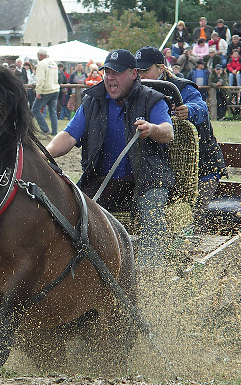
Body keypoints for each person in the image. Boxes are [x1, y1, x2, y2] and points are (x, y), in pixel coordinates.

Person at [46, 49, 174, 272]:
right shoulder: (92, 101)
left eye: (117, 72)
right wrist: (44, 155)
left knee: (151, 209)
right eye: (107, 72)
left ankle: (151, 274)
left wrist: (151, 129)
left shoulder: (152, 99)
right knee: (66, 210)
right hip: (102, 179)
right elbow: (68, 136)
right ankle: (70, 270)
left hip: (147, 180)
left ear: (133, 74)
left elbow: (167, 132)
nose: (110, 77)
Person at [136, 46, 227, 232]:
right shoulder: (139, 90)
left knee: (197, 213)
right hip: (166, 164)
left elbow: (201, 107)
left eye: (145, 70)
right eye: (137, 70)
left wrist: (189, 110)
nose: (141, 74)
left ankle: (194, 247)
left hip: (204, 163)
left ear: (161, 68)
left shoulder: (182, 87)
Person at [32, 48, 59, 136]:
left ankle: (45, 129)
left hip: (46, 90)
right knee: (53, 112)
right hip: (55, 89)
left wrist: (38, 90)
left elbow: (40, 78)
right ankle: (54, 131)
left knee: (35, 109)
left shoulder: (42, 64)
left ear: (40, 56)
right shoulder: (54, 63)